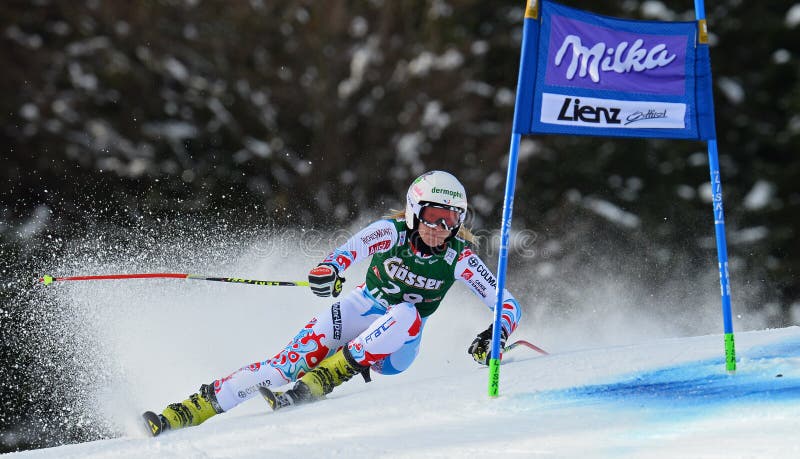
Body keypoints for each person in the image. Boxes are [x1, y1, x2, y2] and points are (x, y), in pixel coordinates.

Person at [143, 170, 522, 435]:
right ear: (413, 211)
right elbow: (346, 253)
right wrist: (329, 272)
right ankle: (188, 411)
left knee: (407, 312)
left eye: (452, 219)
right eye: (434, 216)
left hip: (396, 348)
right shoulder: (389, 233)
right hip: (362, 310)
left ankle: (328, 376)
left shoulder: (459, 258)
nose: (441, 229)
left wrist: (497, 333)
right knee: (282, 368)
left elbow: (508, 304)